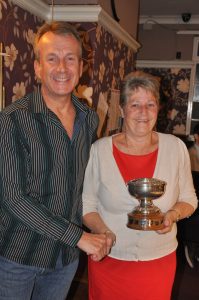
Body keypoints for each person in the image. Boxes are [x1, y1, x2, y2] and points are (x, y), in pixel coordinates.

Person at [0, 21, 108, 300]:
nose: (62, 67)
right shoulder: (12, 120)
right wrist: (80, 237)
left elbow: (85, 185)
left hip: (64, 260)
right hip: (16, 258)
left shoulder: (89, 119)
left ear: (81, 67)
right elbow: (13, 199)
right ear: (38, 67)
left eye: (70, 58)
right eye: (52, 58)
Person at [82, 70, 198, 300]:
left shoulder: (176, 148)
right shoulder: (100, 150)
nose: (143, 113)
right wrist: (104, 233)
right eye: (135, 104)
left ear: (158, 109)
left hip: (157, 262)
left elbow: (190, 198)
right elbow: (87, 206)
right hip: (109, 259)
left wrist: (172, 215)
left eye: (151, 104)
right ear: (123, 109)